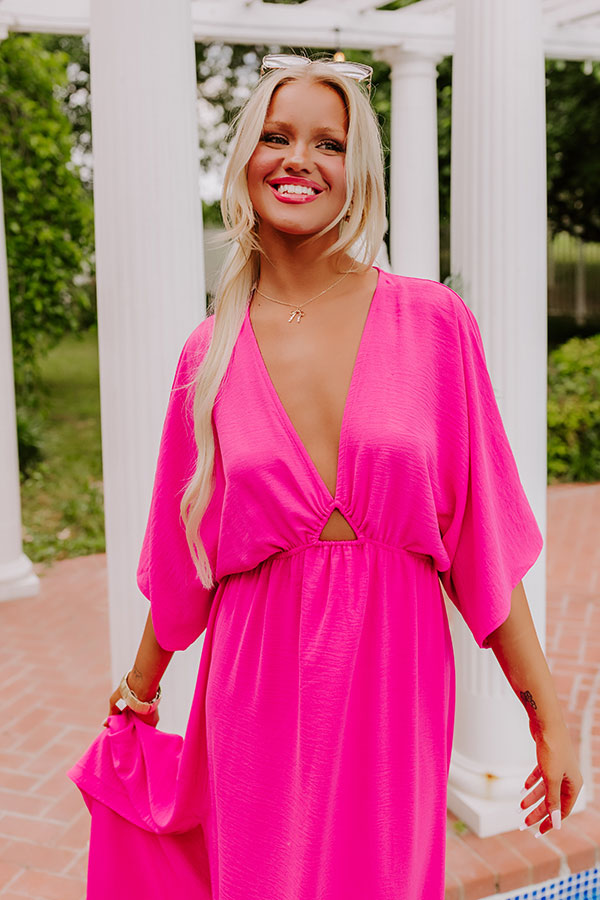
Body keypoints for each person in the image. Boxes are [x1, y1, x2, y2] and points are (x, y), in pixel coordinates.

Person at [68, 54, 583, 900]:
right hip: (256, 686)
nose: (298, 159)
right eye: (276, 136)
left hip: (396, 680)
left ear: (358, 169)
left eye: (328, 143)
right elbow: (183, 561)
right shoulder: (208, 355)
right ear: (245, 158)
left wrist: (547, 715)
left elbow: (481, 546)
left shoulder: (433, 323)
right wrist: (138, 691)